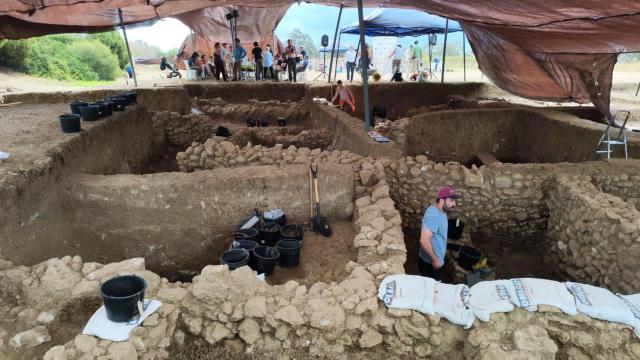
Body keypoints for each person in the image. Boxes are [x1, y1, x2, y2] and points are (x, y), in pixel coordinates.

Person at [418, 186, 460, 281]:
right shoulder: (434, 216)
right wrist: (435, 260)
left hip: (433, 259)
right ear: (441, 200)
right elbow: (424, 240)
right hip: (430, 263)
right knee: (434, 288)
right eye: (451, 201)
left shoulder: (438, 210)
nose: (454, 204)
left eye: (454, 201)